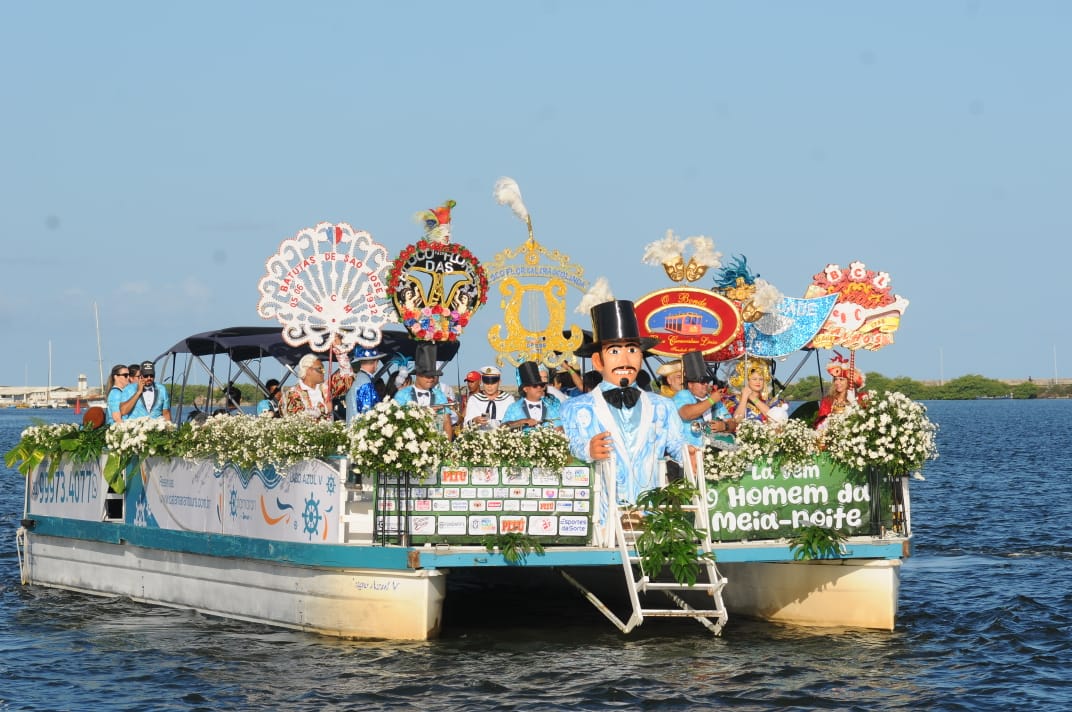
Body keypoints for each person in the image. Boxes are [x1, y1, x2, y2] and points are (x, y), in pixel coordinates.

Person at [559, 300, 690, 539]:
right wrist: (587, 449)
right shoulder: (575, 407)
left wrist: (692, 454)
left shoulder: (663, 406)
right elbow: (570, 444)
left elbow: (677, 444)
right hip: (603, 517)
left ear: (640, 356)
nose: (625, 359)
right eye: (615, 351)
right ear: (598, 361)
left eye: (631, 350)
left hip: (651, 517)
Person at [673, 352, 736, 448]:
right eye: (701, 382)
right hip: (692, 450)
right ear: (690, 384)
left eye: (707, 381)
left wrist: (724, 426)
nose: (706, 384)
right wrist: (711, 401)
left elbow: (733, 423)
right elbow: (686, 414)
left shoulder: (715, 400)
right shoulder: (683, 395)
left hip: (715, 451)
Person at [283, 338, 354, 420]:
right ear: (308, 370)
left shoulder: (326, 388)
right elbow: (295, 417)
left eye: (323, 369)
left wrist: (340, 351)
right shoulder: (293, 393)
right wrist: (324, 408)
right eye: (319, 369)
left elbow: (347, 378)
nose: (323, 372)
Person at [393, 342, 453, 438]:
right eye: (427, 376)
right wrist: (423, 412)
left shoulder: (439, 395)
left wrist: (448, 447)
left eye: (433, 376)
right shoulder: (402, 395)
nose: (431, 379)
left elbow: (446, 422)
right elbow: (397, 422)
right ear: (417, 375)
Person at [502, 361, 563, 431]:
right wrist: (522, 421)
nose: (539, 388)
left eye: (542, 385)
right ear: (525, 389)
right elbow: (502, 428)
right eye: (535, 386)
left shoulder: (551, 406)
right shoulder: (514, 408)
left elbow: (560, 429)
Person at [727, 358, 789, 424]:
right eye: (754, 379)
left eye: (761, 379)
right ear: (747, 381)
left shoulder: (772, 402)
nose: (758, 382)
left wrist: (752, 398)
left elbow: (774, 417)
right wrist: (744, 398)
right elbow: (737, 420)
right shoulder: (735, 400)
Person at [813, 353, 867, 429]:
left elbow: (864, 419)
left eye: (841, 379)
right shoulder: (827, 401)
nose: (837, 383)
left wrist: (853, 401)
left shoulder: (861, 398)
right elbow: (820, 423)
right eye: (835, 379)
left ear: (849, 381)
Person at [346, 347, 384, 421]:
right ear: (376, 363)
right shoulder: (365, 381)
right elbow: (367, 412)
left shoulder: (355, 378)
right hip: (360, 429)